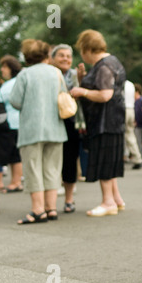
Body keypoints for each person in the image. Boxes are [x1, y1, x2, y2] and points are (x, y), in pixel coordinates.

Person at [9, 39, 68, 224]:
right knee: (52, 169)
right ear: (46, 54)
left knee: (33, 169)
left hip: (32, 128)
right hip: (55, 128)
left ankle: (37, 210)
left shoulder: (25, 74)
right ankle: (51, 209)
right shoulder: (56, 72)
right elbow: (64, 95)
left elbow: (15, 101)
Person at [70, 29, 126, 217]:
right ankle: (116, 199)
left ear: (87, 48)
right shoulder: (114, 61)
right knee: (110, 162)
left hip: (104, 122)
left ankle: (107, 202)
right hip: (115, 120)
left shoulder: (104, 66)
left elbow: (105, 94)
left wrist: (81, 91)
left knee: (104, 163)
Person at [51, 44, 83, 213]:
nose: (65, 59)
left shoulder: (76, 75)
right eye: (61, 55)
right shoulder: (49, 74)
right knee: (51, 162)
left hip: (71, 123)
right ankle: (48, 203)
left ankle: (69, 199)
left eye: (68, 56)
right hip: (52, 122)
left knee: (70, 160)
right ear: (53, 58)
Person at [0, 55, 23, 193]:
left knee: (14, 154)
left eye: (4, 67)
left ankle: (16, 181)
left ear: (11, 68)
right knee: (14, 154)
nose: (2, 70)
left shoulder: (12, 83)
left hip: (12, 123)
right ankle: (15, 181)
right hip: (14, 122)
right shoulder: (14, 82)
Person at [124, 80, 142, 170]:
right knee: (130, 135)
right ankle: (138, 159)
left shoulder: (119, 83)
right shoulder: (130, 84)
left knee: (119, 135)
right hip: (131, 110)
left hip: (123, 110)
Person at [134, 83, 142, 162]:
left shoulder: (141, 100)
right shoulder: (134, 101)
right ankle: (141, 156)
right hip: (137, 124)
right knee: (138, 141)